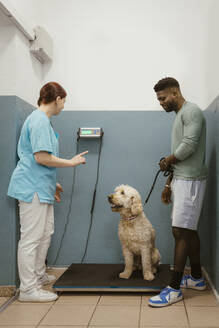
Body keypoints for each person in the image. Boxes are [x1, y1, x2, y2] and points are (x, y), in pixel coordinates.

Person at [7, 82, 88, 302]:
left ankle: (38, 276)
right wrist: (70, 163)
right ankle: (28, 290)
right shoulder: (39, 121)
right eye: (64, 101)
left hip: (41, 185)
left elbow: (43, 161)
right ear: (58, 99)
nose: (64, 106)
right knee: (31, 238)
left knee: (45, 234)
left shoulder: (44, 122)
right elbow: (41, 157)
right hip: (31, 187)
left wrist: (54, 184)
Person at [148, 77, 207, 307]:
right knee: (188, 230)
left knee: (181, 230)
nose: (161, 103)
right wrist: (168, 182)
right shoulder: (179, 115)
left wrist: (166, 161)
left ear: (175, 92)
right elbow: (181, 154)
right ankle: (196, 278)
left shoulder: (192, 112)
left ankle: (174, 288)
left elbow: (189, 147)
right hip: (182, 179)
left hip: (191, 181)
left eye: (163, 98)